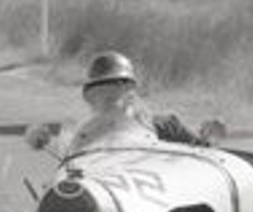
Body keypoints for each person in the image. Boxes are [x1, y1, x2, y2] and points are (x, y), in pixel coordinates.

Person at [26, 52, 219, 155]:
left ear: (131, 90)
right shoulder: (82, 133)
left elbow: (205, 155)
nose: (111, 95)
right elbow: (68, 162)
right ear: (90, 96)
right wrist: (44, 140)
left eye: (119, 86)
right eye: (100, 90)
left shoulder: (165, 124)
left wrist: (209, 137)